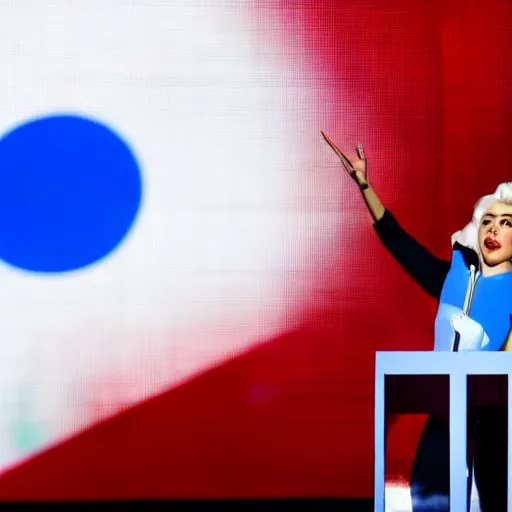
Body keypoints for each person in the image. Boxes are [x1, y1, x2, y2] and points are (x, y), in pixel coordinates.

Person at [321, 131, 512, 511]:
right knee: (426, 494)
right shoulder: (451, 279)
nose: (494, 229)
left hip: (495, 420)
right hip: (445, 412)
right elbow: (400, 243)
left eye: (507, 223)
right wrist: (364, 186)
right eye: (488, 220)